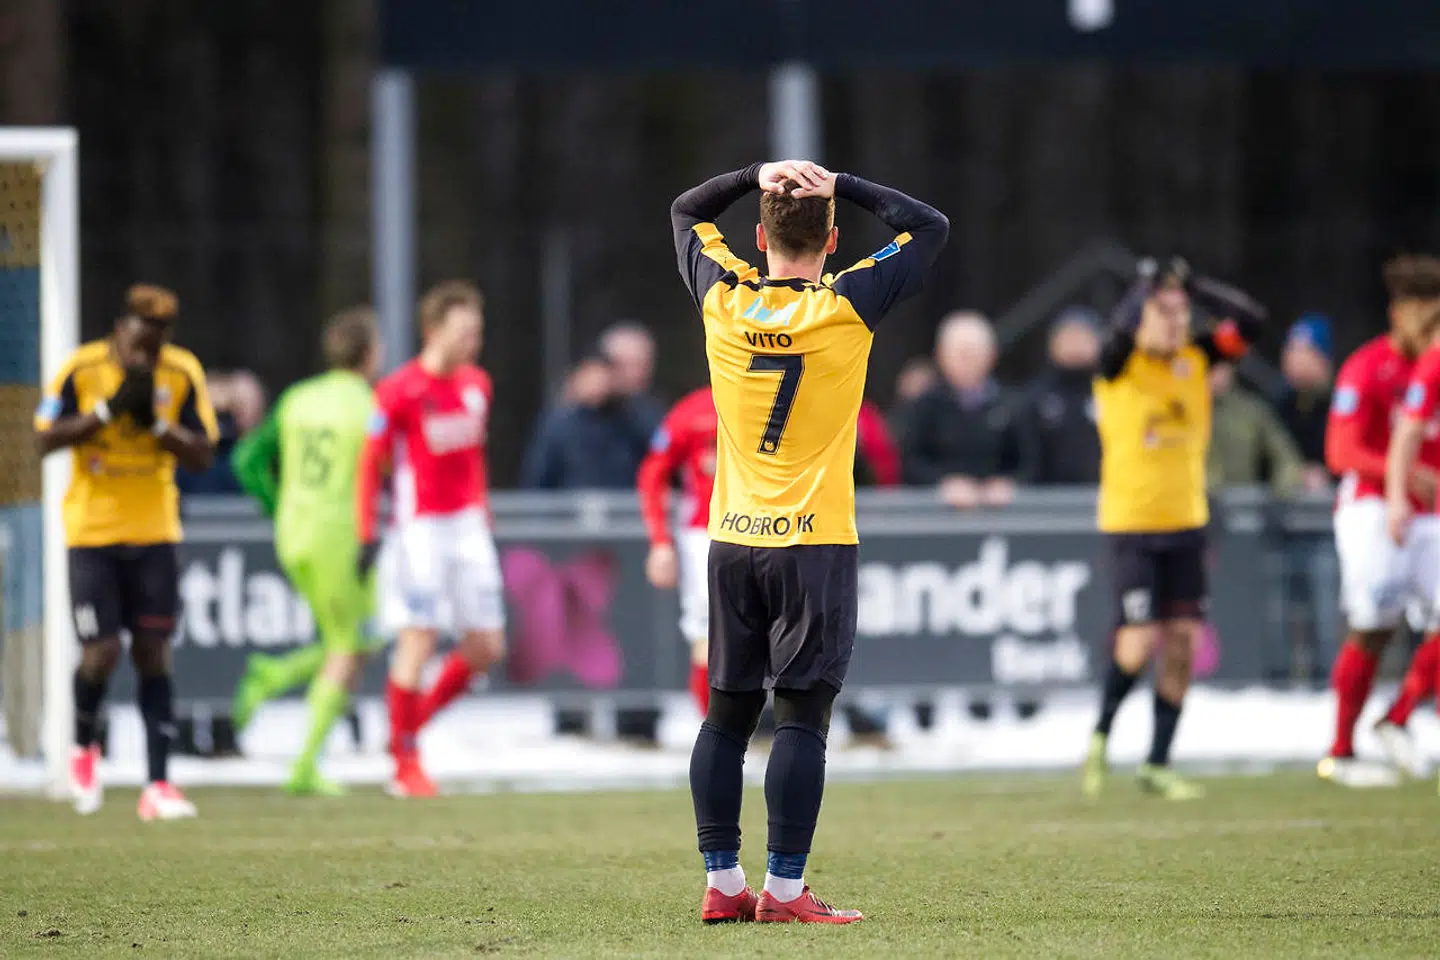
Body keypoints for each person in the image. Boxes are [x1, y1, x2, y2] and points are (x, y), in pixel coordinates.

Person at [672, 159, 947, 923]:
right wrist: (845, 184)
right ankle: (785, 893)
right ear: (831, 242)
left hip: (731, 538)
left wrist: (751, 172)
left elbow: (685, 209)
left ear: (757, 237)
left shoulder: (723, 298)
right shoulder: (847, 304)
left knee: (725, 716)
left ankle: (723, 884)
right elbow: (929, 227)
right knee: (801, 718)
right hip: (815, 543)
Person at [1081, 256, 1264, 801]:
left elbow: (1251, 320)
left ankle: (1158, 762)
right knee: (1137, 643)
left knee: (1182, 642)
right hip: (1133, 524)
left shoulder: (1197, 359)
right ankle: (1101, 737)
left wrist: (1193, 284)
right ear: (1141, 316)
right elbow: (1118, 326)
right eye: (1163, 313)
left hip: (1186, 522)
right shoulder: (1118, 364)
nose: (1175, 322)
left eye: (1181, 314)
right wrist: (1146, 285)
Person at [33, 284, 218, 819]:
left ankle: (158, 785)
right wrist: (105, 413)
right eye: (140, 345)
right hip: (92, 531)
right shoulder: (82, 369)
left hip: (155, 529)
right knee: (101, 651)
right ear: (121, 329)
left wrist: (158, 428)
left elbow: (204, 453)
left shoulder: (182, 373)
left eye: (156, 347)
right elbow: (43, 438)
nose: (146, 358)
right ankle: (83, 750)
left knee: (154, 651)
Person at [356, 280, 507, 798]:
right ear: (433, 331)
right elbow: (368, 464)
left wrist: (483, 512)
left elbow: (474, 458)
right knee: (418, 637)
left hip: (468, 528)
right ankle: (406, 762)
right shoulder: (398, 390)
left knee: (486, 646)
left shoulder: (478, 385)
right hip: (420, 530)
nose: (473, 343)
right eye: (465, 332)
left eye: (477, 333)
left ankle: (408, 727)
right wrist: (366, 531)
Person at [229, 307, 382, 796]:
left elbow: (246, 458)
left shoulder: (298, 398)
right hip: (340, 537)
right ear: (369, 354)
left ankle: (277, 677)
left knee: (361, 639)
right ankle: (302, 759)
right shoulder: (368, 405)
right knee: (350, 645)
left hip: (294, 534)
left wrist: (280, 508)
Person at [1321, 255, 1440, 787]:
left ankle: (1398, 717)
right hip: (1372, 507)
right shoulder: (1368, 366)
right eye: (1424, 313)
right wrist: (1402, 475)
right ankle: (1340, 752)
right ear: (1399, 313)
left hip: (1430, 510)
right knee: (1373, 625)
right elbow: (1339, 450)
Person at [1380, 303, 1440, 782]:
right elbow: (1407, 433)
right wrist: (1397, 497)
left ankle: (1399, 716)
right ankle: (1397, 716)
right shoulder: (1435, 363)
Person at [637, 386, 720, 716]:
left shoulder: (777, 398)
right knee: (709, 635)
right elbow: (654, 472)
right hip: (706, 534)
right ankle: (717, 736)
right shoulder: (693, 410)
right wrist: (660, 540)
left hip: (771, 530)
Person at [899, 311, 1035, 506]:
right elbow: (910, 461)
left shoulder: (1013, 405)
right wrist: (942, 483)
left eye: (974, 353)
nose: (968, 362)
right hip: (936, 518)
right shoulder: (924, 405)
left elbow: (1029, 462)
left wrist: (1009, 484)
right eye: (961, 354)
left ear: (991, 355)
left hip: (1001, 517)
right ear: (941, 356)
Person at [520, 354, 654, 489]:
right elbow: (538, 474)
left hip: (622, 504)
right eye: (590, 377)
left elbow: (653, 453)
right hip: (570, 506)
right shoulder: (558, 425)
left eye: (602, 377)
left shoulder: (629, 420)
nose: (597, 385)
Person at [1024, 307, 1103, 486]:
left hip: (1104, 498)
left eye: (1082, 338)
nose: (1075, 346)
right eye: (1068, 338)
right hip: (1047, 503)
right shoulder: (1037, 397)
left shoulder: (1113, 393)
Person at [1206, 362, 1304, 495]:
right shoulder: (1179, 409)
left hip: (1241, 504)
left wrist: (1284, 486)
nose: (1217, 373)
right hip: (1189, 503)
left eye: (1222, 365)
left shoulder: (1250, 410)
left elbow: (1285, 455)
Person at [600, 321, 666, 437]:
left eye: (642, 365)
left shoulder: (655, 412)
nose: (636, 373)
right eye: (627, 365)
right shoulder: (588, 415)